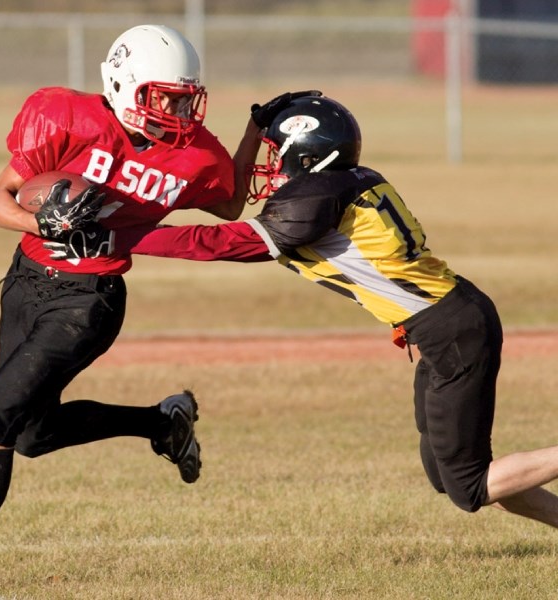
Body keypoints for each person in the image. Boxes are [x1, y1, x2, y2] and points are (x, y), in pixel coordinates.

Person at [0, 24, 298, 586]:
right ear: (124, 84)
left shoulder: (194, 154)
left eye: (184, 97)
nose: (178, 110)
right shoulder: (64, 117)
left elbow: (227, 205)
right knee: (30, 435)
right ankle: (161, 423)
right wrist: (42, 221)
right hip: (27, 282)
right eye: (164, 96)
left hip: (89, 300)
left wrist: (251, 129)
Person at [105, 94, 558, 530]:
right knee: (449, 474)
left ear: (307, 155)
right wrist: (253, 127)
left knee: (468, 485)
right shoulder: (346, 180)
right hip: (446, 322)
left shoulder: (316, 197)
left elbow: (221, 242)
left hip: (450, 328)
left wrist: (127, 236)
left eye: (276, 152)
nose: (271, 165)